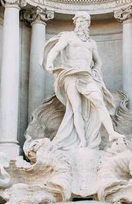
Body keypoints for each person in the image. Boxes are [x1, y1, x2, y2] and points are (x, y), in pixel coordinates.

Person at [41, 11, 123, 151]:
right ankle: (82, 141)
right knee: (76, 108)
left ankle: (111, 133)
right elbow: (55, 50)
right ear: (75, 22)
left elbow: (98, 61)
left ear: (88, 24)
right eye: (79, 21)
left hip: (86, 76)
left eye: (84, 21)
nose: (81, 23)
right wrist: (49, 63)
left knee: (99, 102)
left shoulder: (91, 43)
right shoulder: (68, 36)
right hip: (71, 75)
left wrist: (96, 71)